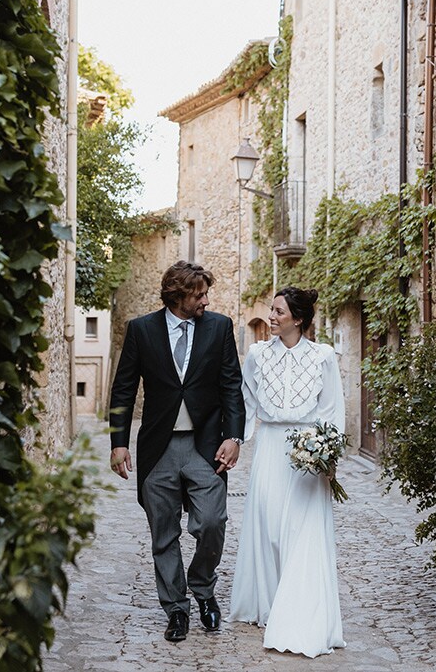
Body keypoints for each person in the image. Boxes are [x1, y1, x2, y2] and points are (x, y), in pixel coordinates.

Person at [109, 261, 246, 643]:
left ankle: (204, 590)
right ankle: (176, 609)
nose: (206, 300)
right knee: (163, 534)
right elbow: (123, 390)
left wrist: (234, 436)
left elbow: (231, 386)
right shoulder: (141, 330)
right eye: (198, 294)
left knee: (212, 522)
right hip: (159, 447)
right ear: (177, 295)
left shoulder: (219, 327)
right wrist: (118, 442)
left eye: (206, 293)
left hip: (205, 446)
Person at [228, 286, 346, 658]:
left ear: (298, 319)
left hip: (308, 451)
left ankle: (302, 610)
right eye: (271, 310)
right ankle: (269, 603)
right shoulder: (258, 355)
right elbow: (246, 401)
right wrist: (237, 440)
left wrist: (328, 453)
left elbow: (331, 408)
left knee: (303, 529)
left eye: (278, 311)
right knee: (269, 527)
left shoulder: (324, 356)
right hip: (269, 450)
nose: (272, 316)